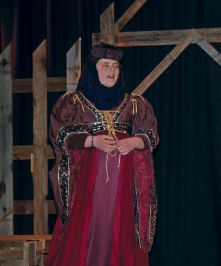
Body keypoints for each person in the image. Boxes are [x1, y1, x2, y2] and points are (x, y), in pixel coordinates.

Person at [47, 43, 159, 266]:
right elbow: (60, 135)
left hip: (123, 189)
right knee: (89, 232)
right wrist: (92, 141)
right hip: (88, 190)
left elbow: (151, 136)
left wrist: (133, 142)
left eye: (116, 66)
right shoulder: (74, 103)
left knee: (118, 232)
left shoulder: (135, 104)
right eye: (105, 65)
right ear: (93, 69)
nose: (112, 71)